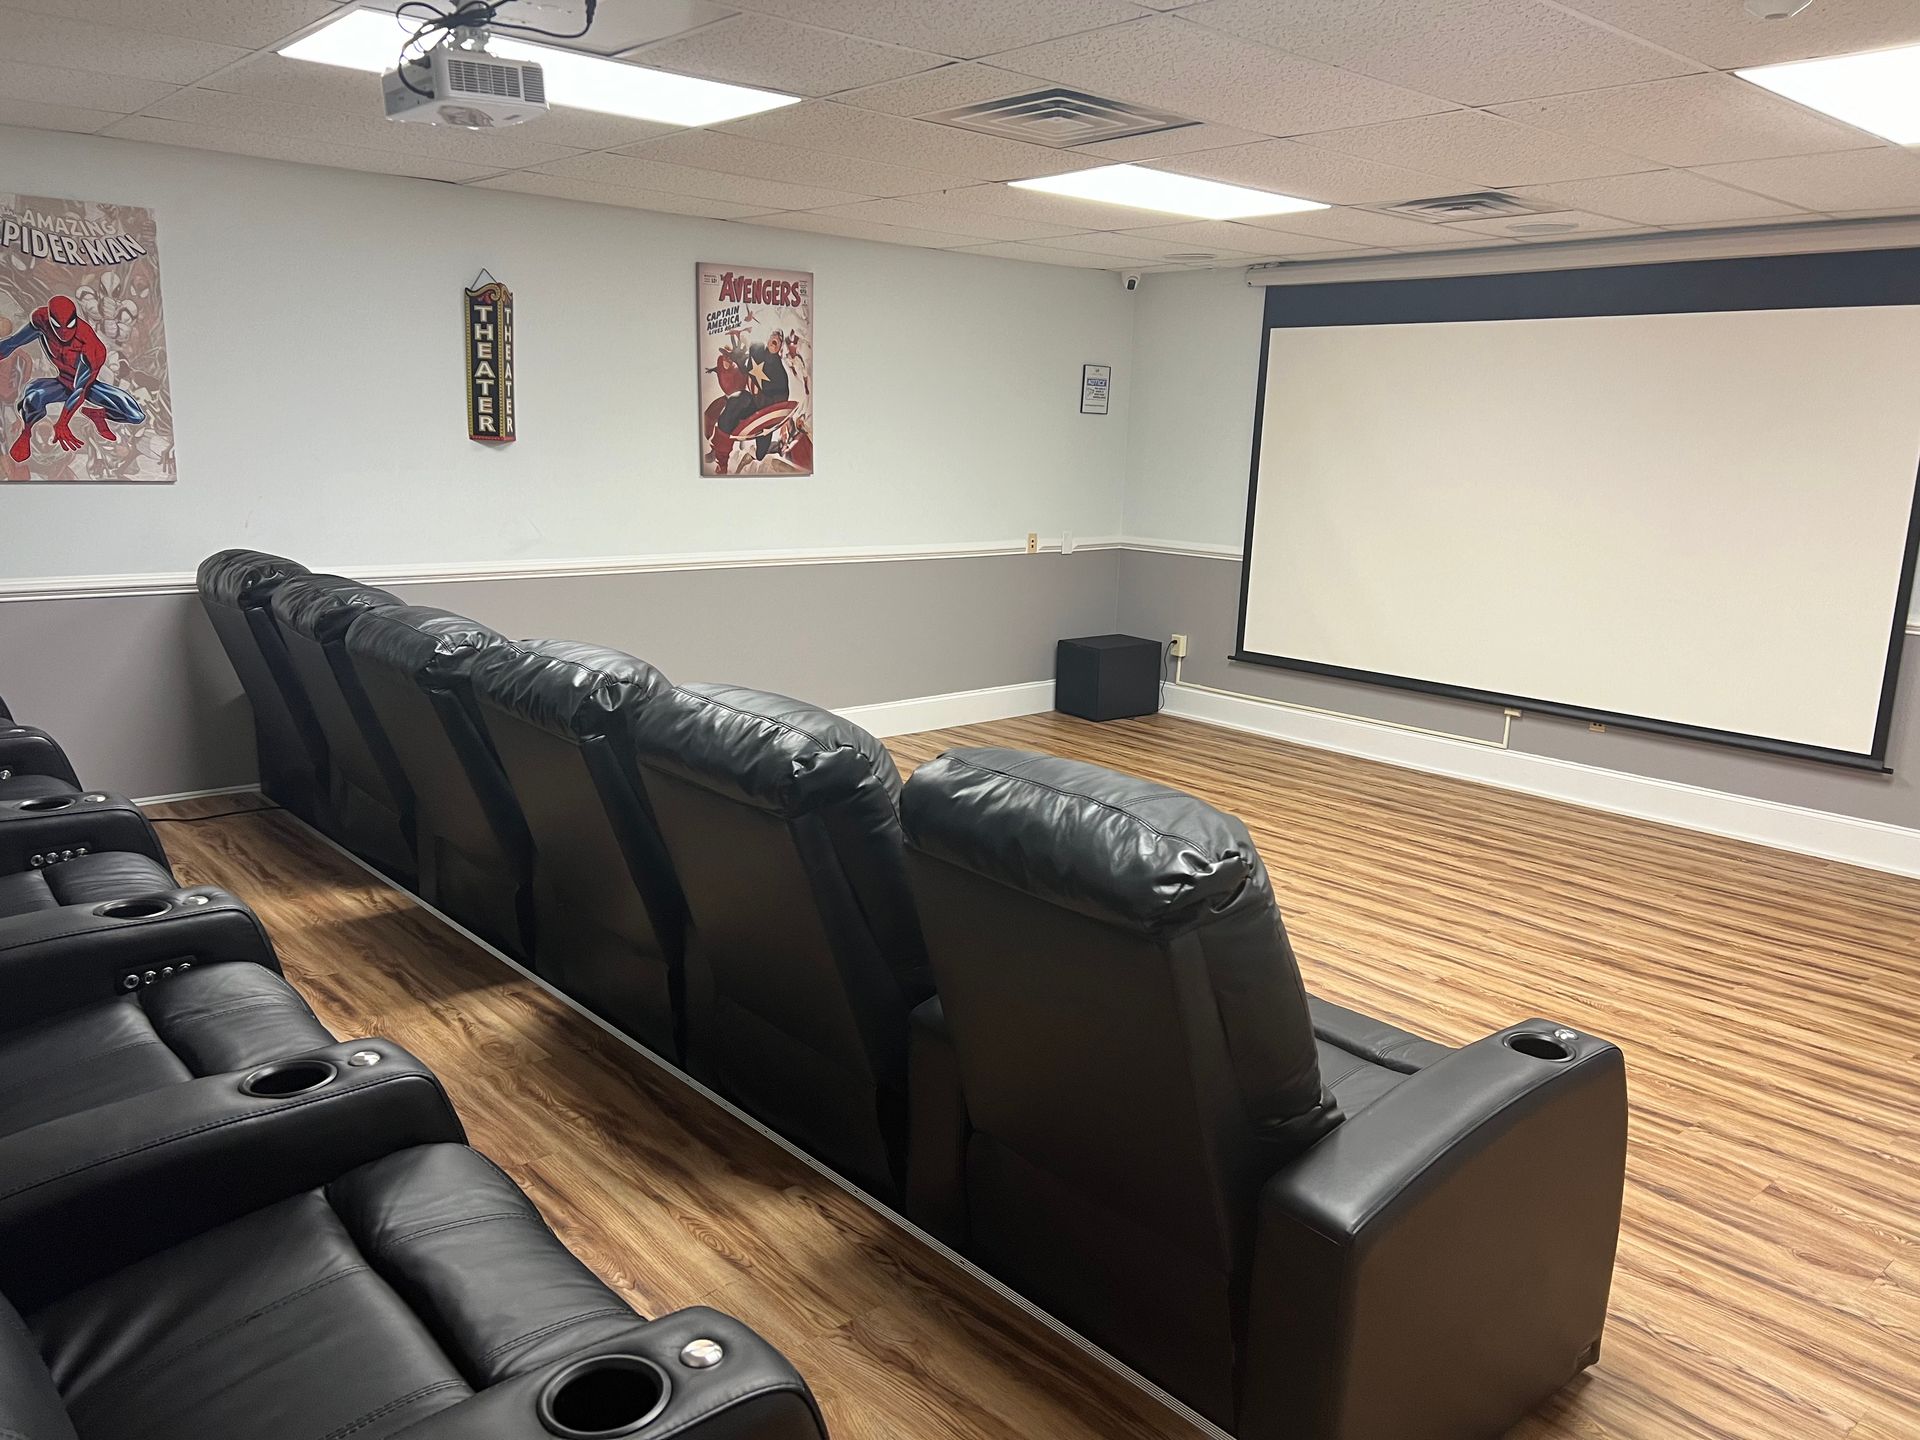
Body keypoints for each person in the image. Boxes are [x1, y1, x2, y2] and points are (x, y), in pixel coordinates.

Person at [1, 294, 146, 464]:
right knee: (32, 397)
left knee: (135, 415)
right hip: (61, 383)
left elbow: (81, 389)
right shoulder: (41, 321)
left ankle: (97, 414)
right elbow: (12, 343)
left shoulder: (91, 346)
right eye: (58, 326)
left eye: (68, 325)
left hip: (86, 387)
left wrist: (62, 423)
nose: (63, 332)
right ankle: (26, 433)